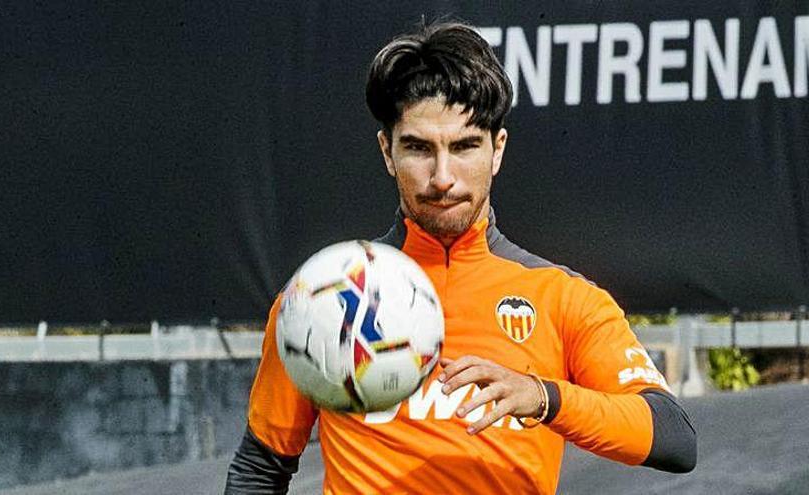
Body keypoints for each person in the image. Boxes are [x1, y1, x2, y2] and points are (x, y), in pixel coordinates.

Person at [225, 20, 696, 495]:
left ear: (497, 150)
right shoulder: (323, 297)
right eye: (418, 148)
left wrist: (543, 397)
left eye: (465, 145)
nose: (443, 176)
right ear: (387, 152)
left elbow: (674, 437)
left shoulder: (563, 298)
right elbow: (260, 469)